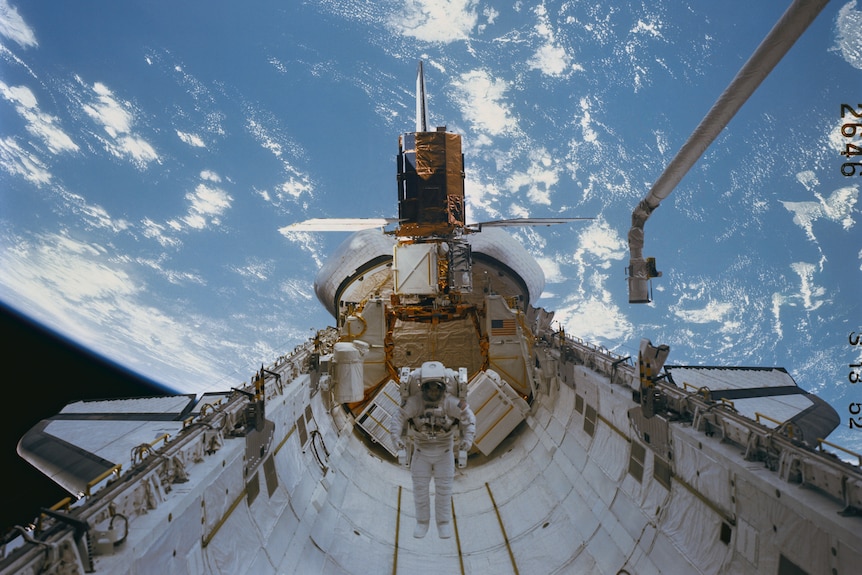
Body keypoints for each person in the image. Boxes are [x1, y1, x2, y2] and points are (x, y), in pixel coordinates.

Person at [391, 370, 475, 539]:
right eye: (430, 389)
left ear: (443, 389)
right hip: (421, 452)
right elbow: (399, 417)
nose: (433, 393)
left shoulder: (451, 403)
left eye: (437, 389)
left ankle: (443, 523)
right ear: (424, 389)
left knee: (444, 491)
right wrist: (395, 437)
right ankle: (422, 522)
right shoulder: (415, 403)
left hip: (445, 453)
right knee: (420, 490)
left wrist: (468, 438)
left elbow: (468, 416)